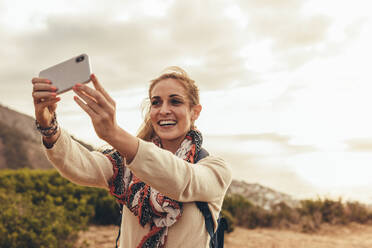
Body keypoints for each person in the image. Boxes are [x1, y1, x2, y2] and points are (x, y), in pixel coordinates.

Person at [31, 66, 232, 248]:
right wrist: (49, 127)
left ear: (195, 112)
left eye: (175, 101)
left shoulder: (215, 169)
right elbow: (81, 165)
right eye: (156, 102)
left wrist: (114, 134)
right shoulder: (125, 165)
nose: (163, 110)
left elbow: (180, 180)